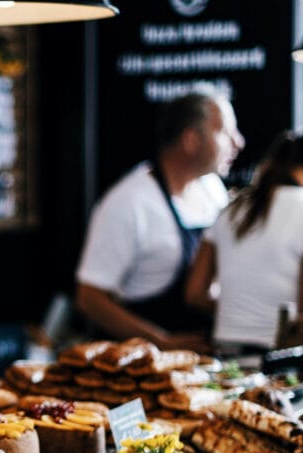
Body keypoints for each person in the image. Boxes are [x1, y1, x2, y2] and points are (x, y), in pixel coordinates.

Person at [75, 90, 244, 351]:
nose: (238, 142)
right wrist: (160, 342)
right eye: (224, 132)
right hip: (140, 364)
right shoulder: (129, 203)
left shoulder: (211, 189)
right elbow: (89, 298)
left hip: (204, 358)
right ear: (190, 139)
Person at [185, 124, 303, 353]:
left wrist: (241, 312)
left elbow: (194, 294)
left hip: (225, 354)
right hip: (280, 359)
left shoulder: (232, 209)